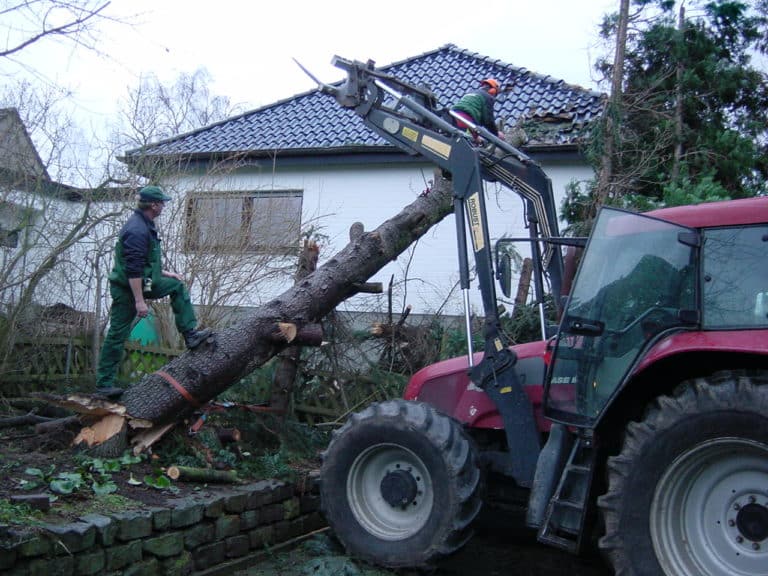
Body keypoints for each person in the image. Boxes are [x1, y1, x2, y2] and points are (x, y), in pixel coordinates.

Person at [95, 185, 212, 397]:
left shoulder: (146, 225)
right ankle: (104, 385)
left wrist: (166, 274)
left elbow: (146, 262)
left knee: (177, 285)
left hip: (145, 282)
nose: (164, 207)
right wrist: (140, 301)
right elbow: (133, 269)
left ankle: (191, 335)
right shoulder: (137, 230)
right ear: (153, 205)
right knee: (116, 335)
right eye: (162, 203)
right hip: (128, 289)